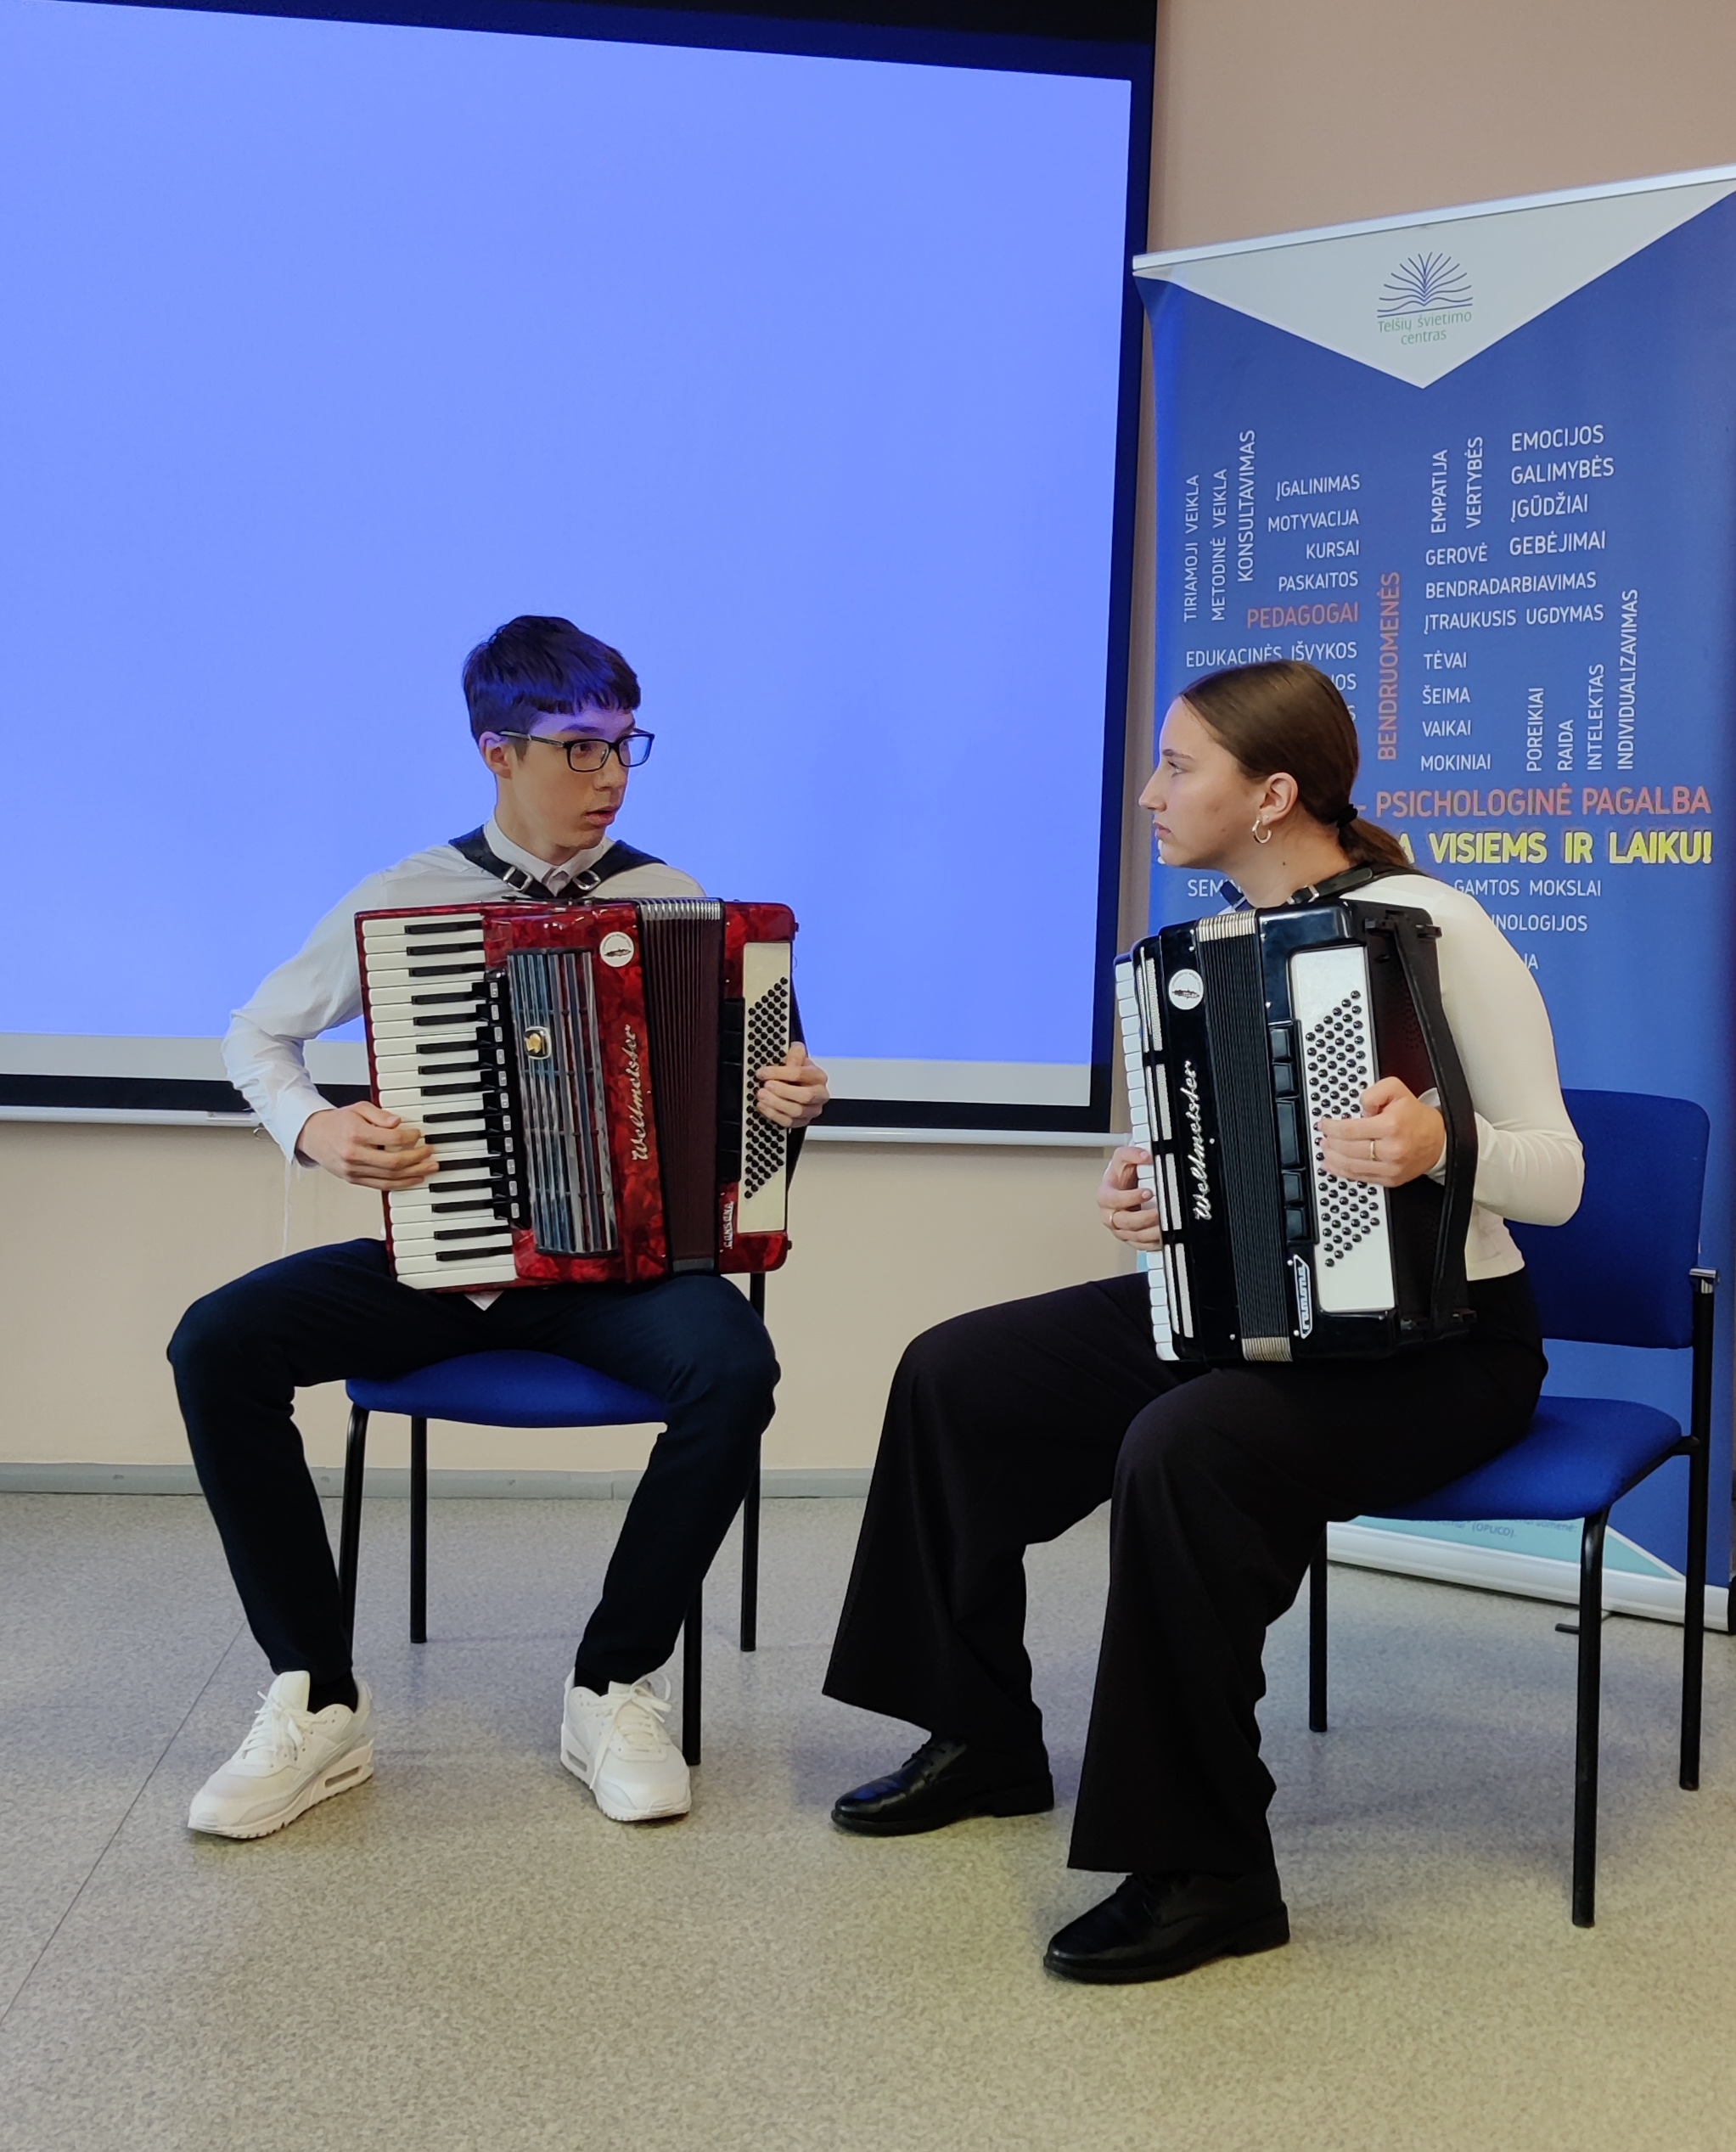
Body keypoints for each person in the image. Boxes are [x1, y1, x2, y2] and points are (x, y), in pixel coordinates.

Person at [822, 659, 1582, 1983]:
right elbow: (1219, 1170)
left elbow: (1558, 1177)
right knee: (958, 1373)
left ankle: (1207, 1871)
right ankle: (983, 1737)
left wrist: (1437, 1144)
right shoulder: (1215, 948)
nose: (1148, 793)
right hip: (1249, 1311)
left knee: (1186, 1448)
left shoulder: (1434, 926)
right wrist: (1145, 1194)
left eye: (1178, 767)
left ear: (1272, 794)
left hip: (1449, 1344)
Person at [169, 615, 829, 1840]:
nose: (610, 774)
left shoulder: (672, 901)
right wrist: (317, 1128)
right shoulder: (406, 896)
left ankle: (611, 1685)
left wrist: (784, 1104)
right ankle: (317, 1696)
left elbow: (747, 1117)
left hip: (624, 1276)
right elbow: (255, 1035)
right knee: (216, 1343)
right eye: (579, 747)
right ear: (497, 752)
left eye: (625, 745)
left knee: (735, 1366)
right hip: (441, 1264)